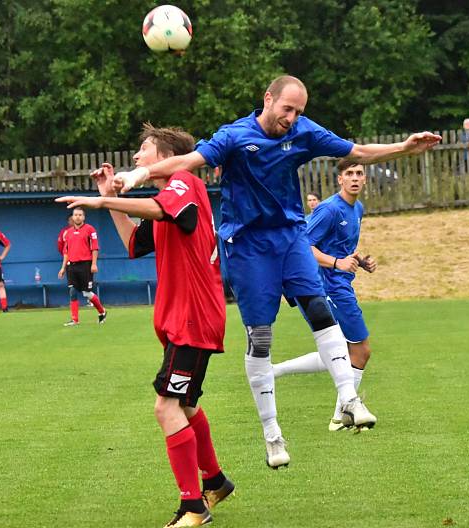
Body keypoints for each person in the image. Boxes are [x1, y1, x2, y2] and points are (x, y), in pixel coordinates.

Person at [113, 75, 441, 468]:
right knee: (262, 338)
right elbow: (188, 161)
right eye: (287, 109)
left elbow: (357, 150)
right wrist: (137, 176)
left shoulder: (304, 131)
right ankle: (272, 435)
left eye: (299, 111)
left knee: (318, 306)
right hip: (248, 245)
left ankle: (349, 398)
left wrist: (403, 148)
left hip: (289, 236)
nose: (292, 118)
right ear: (268, 99)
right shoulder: (234, 136)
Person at [57, 124, 233, 527]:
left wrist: (102, 204)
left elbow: (159, 208)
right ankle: (216, 481)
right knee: (185, 404)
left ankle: (193, 507)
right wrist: (111, 198)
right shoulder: (172, 196)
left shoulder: (185, 181)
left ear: (166, 156)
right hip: (185, 317)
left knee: (166, 407)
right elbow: (137, 244)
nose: (136, 157)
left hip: (192, 317)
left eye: (144, 150)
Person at [273, 160, 377, 431]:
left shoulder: (358, 209)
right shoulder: (329, 209)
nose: (355, 178)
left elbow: (340, 248)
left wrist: (357, 261)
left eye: (359, 174)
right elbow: (304, 246)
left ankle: (275, 372)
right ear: (340, 180)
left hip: (340, 283)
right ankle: (343, 413)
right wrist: (336, 263)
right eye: (349, 174)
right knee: (361, 350)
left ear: (365, 179)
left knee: (339, 351)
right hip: (326, 286)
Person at [58, 208, 107, 326]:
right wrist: (63, 268)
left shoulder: (90, 230)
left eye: (80, 215)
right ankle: (75, 319)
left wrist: (94, 264)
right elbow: (66, 252)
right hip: (71, 266)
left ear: (83, 217)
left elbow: (95, 248)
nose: (78, 217)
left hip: (85, 265)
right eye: (75, 215)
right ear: (72, 217)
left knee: (87, 293)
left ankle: (102, 311)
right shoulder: (68, 233)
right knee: (72, 291)